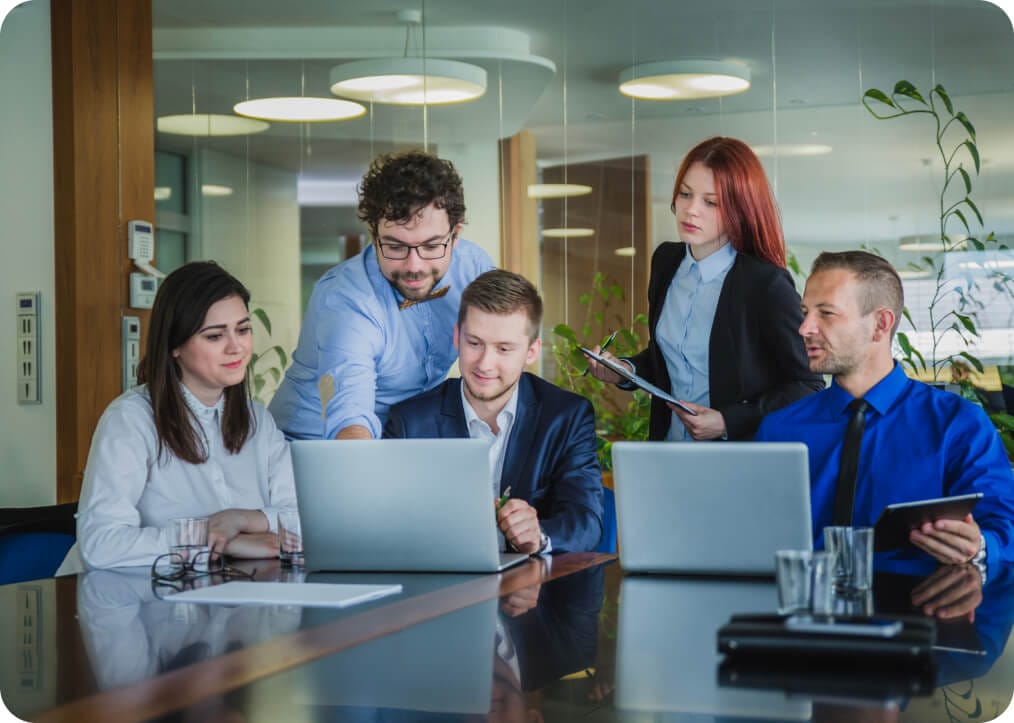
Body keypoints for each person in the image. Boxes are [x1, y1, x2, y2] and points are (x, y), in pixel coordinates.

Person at [755, 251, 1014, 579]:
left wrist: (980, 546)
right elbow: (750, 533)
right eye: (805, 313)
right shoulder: (779, 430)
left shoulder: (958, 424)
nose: (805, 328)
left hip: (922, 603)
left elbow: (1004, 526)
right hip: (805, 604)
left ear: (880, 324)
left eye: (827, 313)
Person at [587, 136, 823, 441]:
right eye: (685, 194)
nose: (691, 210)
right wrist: (626, 370)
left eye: (711, 202)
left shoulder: (765, 283)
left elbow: (808, 385)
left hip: (734, 458)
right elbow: (672, 360)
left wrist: (728, 421)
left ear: (740, 209)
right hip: (669, 449)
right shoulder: (666, 262)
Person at [74, 261, 298, 570]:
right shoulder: (130, 420)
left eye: (243, 329)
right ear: (175, 345)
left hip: (229, 588)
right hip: (121, 594)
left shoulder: (258, 421)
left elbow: (302, 519)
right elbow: (101, 544)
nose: (236, 347)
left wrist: (241, 520)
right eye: (214, 336)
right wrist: (214, 540)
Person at [269, 150, 494, 440]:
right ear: (374, 236)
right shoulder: (347, 300)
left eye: (431, 246)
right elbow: (350, 419)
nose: (414, 266)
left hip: (400, 439)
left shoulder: (473, 268)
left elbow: (506, 350)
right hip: (312, 447)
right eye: (396, 247)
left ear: (456, 235)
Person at [384, 269, 604, 554]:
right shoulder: (408, 422)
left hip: (533, 580)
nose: (485, 364)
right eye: (474, 343)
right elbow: (388, 524)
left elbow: (586, 522)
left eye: (503, 349)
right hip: (440, 576)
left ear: (531, 351)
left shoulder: (567, 417)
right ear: (457, 337)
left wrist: (539, 535)